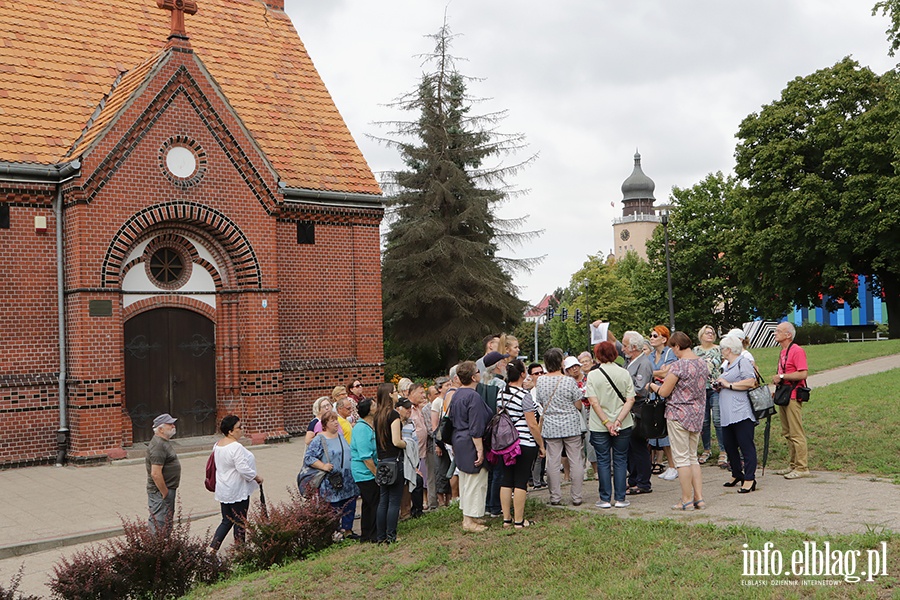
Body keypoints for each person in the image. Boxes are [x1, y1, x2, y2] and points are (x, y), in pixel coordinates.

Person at [648, 331, 707, 511]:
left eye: (673, 347)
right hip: (697, 414)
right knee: (692, 458)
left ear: (677, 346)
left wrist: (652, 386)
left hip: (678, 414)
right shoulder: (702, 363)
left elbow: (665, 392)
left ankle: (686, 499)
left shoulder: (678, 366)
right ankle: (699, 498)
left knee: (681, 459)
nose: (672, 351)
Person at [585, 342, 635, 509]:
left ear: (598, 355)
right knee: (620, 460)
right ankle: (621, 498)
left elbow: (593, 401)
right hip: (623, 423)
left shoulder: (593, 375)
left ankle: (605, 498)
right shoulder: (624, 373)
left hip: (599, 425)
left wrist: (607, 422)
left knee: (603, 460)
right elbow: (630, 399)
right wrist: (618, 420)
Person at [534, 348, 584, 506]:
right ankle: (576, 496)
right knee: (575, 459)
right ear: (561, 362)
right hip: (570, 423)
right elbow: (578, 404)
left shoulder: (541, 381)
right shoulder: (569, 381)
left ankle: (555, 496)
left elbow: (541, 401)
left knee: (553, 462)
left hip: (551, 424)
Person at [497, 360, 544, 528]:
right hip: (524, 442)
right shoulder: (525, 396)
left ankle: (506, 519)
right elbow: (532, 424)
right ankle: (519, 520)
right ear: (523, 374)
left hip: (505, 443)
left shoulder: (501, 393)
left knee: (506, 479)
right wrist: (541, 445)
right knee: (521, 480)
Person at [449, 360, 493, 532]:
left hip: (458, 439)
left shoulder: (457, 394)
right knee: (476, 480)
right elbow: (476, 427)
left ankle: (469, 516)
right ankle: (469, 520)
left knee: (466, 479)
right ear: (474, 376)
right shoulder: (473, 396)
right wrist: (480, 450)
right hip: (471, 441)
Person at [304, 410, 360, 540]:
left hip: (347, 478)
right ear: (325, 424)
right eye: (332, 420)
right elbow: (309, 457)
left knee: (349, 504)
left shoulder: (340, 436)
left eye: (336, 420)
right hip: (331, 481)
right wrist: (323, 466)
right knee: (333, 507)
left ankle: (348, 530)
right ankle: (334, 533)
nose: (336, 423)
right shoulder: (320, 439)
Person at [210, 415, 263, 551]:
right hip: (237, 489)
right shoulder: (236, 447)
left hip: (223, 489)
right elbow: (243, 469)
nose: (242, 430)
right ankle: (240, 551)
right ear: (230, 431)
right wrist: (256, 477)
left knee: (227, 520)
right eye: (239, 427)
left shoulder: (218, 445)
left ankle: (212, 549)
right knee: (240, 521)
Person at [716, 336, 759, 493]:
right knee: (729, 445)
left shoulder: (743, 361)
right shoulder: (727, 365)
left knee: (746, 445)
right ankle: (736, 473)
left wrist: (729, 385)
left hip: (741, 411)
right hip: (727, 413)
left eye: (722, 349)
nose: (721, 352)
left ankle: (749, 478)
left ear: (728, 349)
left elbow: (750, 381)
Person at [770, 322, 811, 479]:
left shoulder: (797, 350)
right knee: (787, 432)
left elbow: (803, 374)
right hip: (784, 395)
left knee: (796, 432)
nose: (775, 333)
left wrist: (781, 377)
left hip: (793, 396)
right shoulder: (783, 351)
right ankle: (793, 464)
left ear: (788, 335)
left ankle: (802, 467)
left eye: (778, 331)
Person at [373, 382, 407, 543]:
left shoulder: (377, 416)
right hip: (394, 460)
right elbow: (396, 441)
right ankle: (391, 535)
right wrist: (406, 443)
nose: (396, 394)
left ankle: (381, 536)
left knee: (383, 500)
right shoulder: (393, 415)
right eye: (394, 392)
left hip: (382, 462)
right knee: (394, 501)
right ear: (389, 395)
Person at [622, 332, 654, 495]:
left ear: (634, 347)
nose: (622, 349)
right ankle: (633, 478)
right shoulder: (629, 362)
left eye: (625, 345)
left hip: (638, 409)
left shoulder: (644, 363)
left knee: (639, 446)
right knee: (630, 447)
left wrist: (623, 393)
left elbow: (640, 388)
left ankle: (643, 482)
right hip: (629, 408)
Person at [647, 325, 678, 480]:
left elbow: (669, 372)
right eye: (651, 336)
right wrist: (660, 372)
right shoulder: (651, 356)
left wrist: (656, 373)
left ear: (663, 339)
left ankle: (674, 465)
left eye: (654, 335)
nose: (651, 338)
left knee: (668, 431)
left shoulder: (670, 353)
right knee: (659, 430)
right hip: (654, 396)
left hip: (667, 396)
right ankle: (671, 465)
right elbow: (648, 372)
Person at [349, 398, 378, 542]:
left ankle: (366, 535)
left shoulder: (369, 425)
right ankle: (373, 535)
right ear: (368, 410)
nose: (376, 406)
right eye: (373, 405)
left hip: (370, 470)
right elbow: (365, 456)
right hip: (364, 472)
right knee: (373, 502)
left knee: (368, 503)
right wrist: (376, 474)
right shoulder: (361, 429)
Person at [146, 413, 180, 534]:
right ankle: (156, 548)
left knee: (165, 522)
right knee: (159, 522)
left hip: (167, 489)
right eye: (169, 424)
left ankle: (165, 547)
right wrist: (165, 492)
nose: (173, 426)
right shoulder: (158, 446)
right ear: (160, 429)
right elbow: (155, 473)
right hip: (160, 491)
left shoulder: (163, 442)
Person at [694, 325, 723, 465]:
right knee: (704, 421)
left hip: (715, 388)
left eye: (712, 333)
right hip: (700, 389)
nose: (710, 335)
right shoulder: (695, 350)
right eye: (707, 333)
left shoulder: (719, 349)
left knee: (717, 420)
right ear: (701, 335)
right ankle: (706, 449)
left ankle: (723, 450)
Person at [566, 355, 596, 481]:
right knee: (576, 445)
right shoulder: (567, 382)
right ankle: (579, 471)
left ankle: (595, 469)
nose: (574, 369)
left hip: (589, 413)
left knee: (591, 442)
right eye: (571, 367)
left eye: (576, 366)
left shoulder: (589, 379)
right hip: (573, 416)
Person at [527, 362, 547, 489]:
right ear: (530, 376)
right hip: (535, 423)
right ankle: (534, 479)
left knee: (544, 453)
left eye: (541, 372)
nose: (539, 375)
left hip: (547, 423)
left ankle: (540, 477)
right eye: (536, 373)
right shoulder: (530, 393)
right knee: (536, 453)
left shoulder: (546, 387)